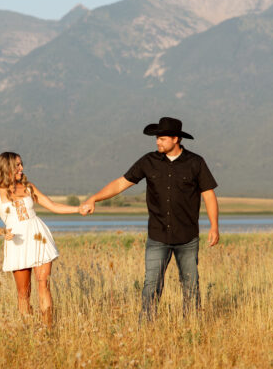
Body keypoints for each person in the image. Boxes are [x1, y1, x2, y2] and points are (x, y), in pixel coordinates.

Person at [82, 116, 219, 321]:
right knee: (151, 285)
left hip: (187, 236)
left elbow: (209, 194)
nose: (157, 142)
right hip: (158, 235)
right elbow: (121, 183)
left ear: (176, 139)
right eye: (157, 138)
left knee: (191, 285)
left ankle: (192, 326)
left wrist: (214, 227)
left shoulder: (195, 162)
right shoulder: (148, 161)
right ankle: (146, 326)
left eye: (162, 138)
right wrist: (95, 198)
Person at [0, 152, 84, 326]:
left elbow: (52, 205)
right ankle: (30, 331)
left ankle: (48, 329)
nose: (21, 168)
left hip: (39, 238)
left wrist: (78, 209)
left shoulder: (29, 187)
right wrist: (2, 232)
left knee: (43, 283)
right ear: (6, 167)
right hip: (17, 242)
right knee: (24, 294)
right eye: (17, 165)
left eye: (21, 164)